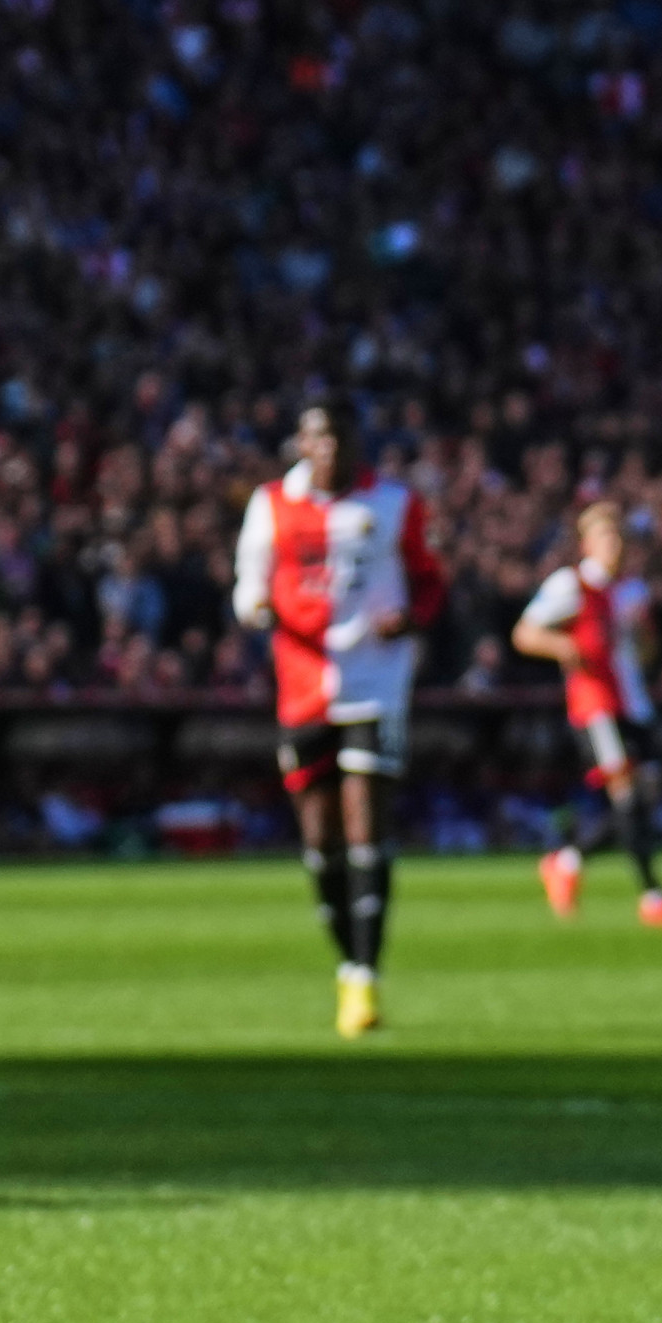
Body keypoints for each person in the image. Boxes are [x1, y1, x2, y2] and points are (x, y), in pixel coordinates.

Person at [233, 406, 444, 1038]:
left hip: (376, 684)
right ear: (301, 443)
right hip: (303, 687)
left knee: (365, 823)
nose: (328, 446)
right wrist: (258, 608)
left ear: (355, 442)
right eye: (317, 435)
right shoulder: (272, 504)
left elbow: (430, 581)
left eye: (339, 435)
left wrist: (410, 619)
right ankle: (347, 961)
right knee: (320, 840)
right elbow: (247, 586)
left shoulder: (394, 503)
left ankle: (365, 975)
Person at [514, 500, 662, 929]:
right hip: (597, 705)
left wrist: (643, 636)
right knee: (627, 797)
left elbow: (646, 651)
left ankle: (566, 861)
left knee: (644, 797)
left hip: (634, 704)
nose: (614, 544)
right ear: (586, 543)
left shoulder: (631, 591)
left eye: (619, 536)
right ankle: (654, 897)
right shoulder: (570, 584)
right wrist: (563, 646)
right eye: (605, 536)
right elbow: (525, 632)